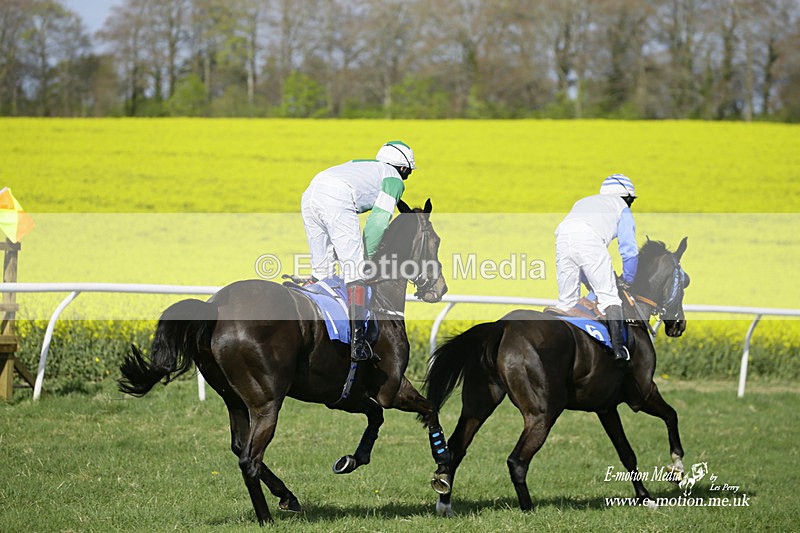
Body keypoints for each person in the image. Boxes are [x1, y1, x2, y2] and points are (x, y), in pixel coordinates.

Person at [301, 141, 416, 362]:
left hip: (310, 194)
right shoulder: (393, 177)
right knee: (356, 272)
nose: (404, 180)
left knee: (322, 273)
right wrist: (368, 256)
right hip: (336, 197)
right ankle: (358, 343)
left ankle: (321, 340)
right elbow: (379, 222)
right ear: (402, 168)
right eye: (407, 174)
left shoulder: (362, 164)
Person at [554, 173, 638, 363]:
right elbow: (629, 250)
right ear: (626, 196)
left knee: (566, 302)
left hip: (562, 236)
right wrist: (628, 279)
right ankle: (619, 350)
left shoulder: (583, 202)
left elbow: (582, 263)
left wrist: (591, 282)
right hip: (589, 238)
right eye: (630, 200)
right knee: (609, 296)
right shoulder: (622, 207)